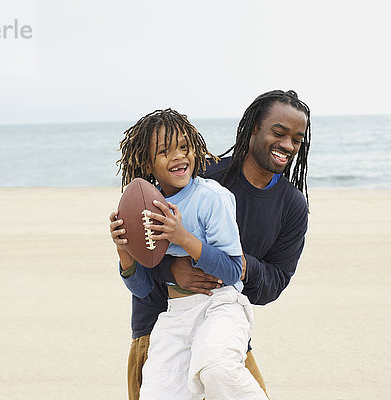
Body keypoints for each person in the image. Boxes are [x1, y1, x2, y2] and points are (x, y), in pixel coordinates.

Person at [120, 90, 311, 399]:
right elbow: (144, 245)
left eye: (297, 139)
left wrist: (229, 263)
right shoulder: (199, 173)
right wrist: (173, 268)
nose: (288, 145)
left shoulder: (292, 205)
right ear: (253, 129)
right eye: (279, 132)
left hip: (220, 320)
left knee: (221, 372)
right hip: (159, 324)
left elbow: (273, 285)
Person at [109, 109, 269, 399]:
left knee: (217, 370)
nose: (179, 156)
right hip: (176, 314)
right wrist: (125, 251)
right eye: (164, 151)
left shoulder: (212, 197)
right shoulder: (145, 209)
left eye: (184, 147)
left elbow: (233, 270)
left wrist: (182, 237)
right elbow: (143, 289)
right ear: (147, 163)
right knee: (156, 394)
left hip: (221, 306)